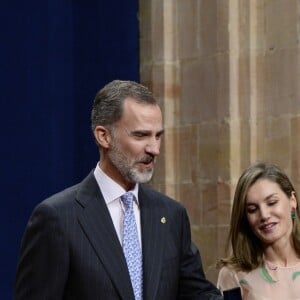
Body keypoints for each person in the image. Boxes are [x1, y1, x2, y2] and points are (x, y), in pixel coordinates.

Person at [14, 80, 223, 300]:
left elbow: (197, 294)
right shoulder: (58, 218)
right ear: (104, 136)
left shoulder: (171, 215)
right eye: (141, 135)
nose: (154, 149)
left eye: (158, 135)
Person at [217, 162, 300, 299]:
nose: (264, 215)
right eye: (252, 209)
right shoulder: (233, 275)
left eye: (272, 202)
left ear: (292, 201)